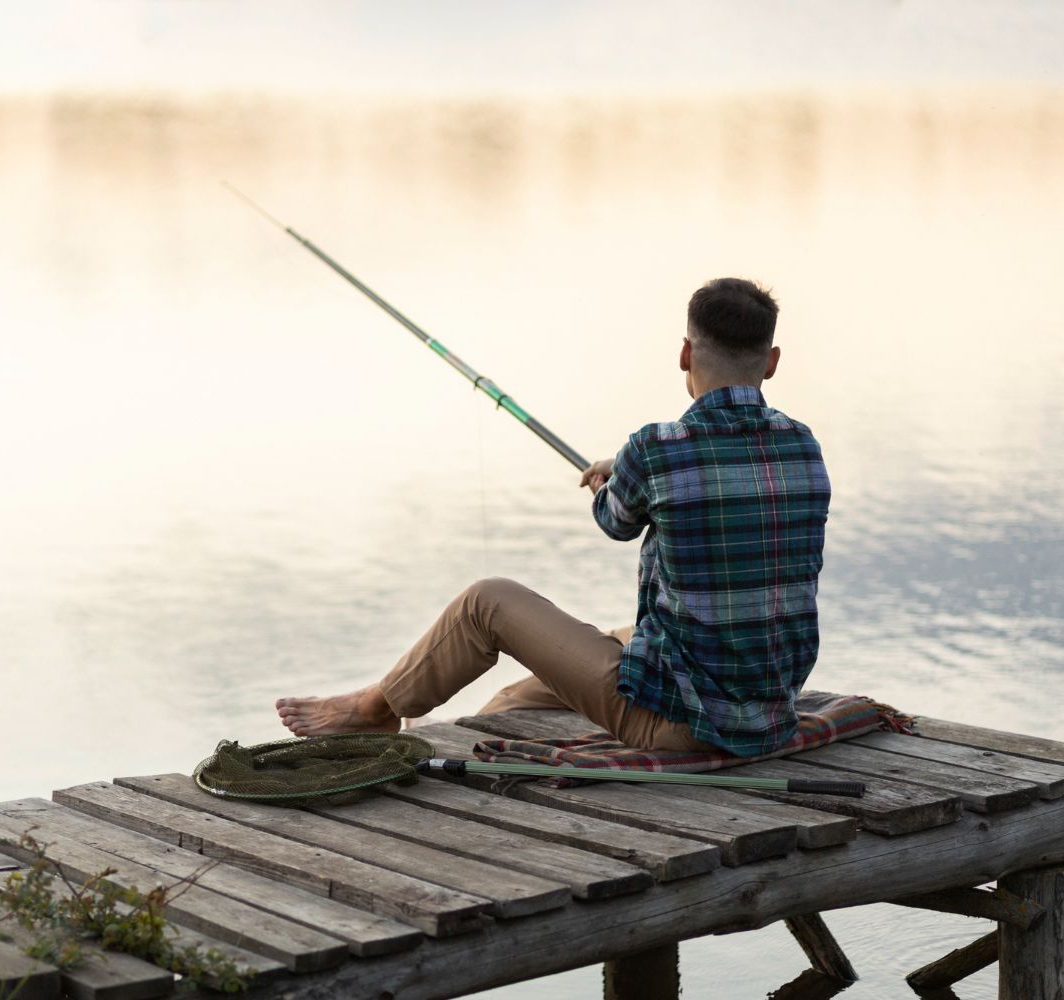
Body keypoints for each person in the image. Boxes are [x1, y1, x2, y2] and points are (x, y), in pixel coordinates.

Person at [276, 278, 830, 756]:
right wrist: (630, 468)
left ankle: (375, 708)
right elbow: (717, 480)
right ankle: (475, 718)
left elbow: (614, 520)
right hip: (770, 712)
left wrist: (614, 477)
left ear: (685, 353)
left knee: (485, 602)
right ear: (772, 360)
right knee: (565, 668)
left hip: (682, 727)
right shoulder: (804, 446)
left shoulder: (655, 449)